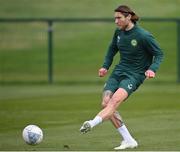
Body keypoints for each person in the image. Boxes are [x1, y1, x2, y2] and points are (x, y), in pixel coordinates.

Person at [80, 5, 163, 150]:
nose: (116, 21)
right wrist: (105, 66)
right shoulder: (118, 33)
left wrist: (152, 69)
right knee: (106, 103)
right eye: (115, 18)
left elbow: (159, 53)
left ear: (128, 17)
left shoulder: (143, 36)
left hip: (134, 75)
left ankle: (91, 123)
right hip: (118, 72)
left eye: (119, 18)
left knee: (114, 102)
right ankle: (129, 140)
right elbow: (112, 48)